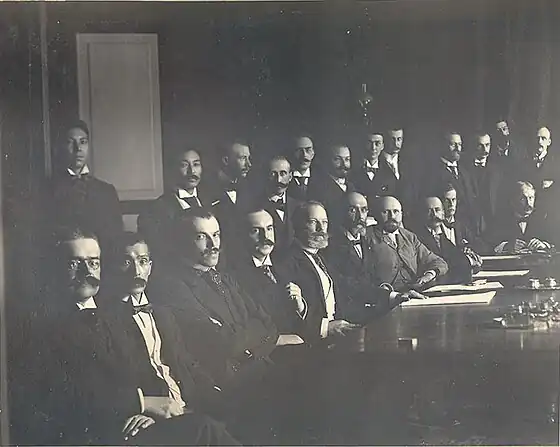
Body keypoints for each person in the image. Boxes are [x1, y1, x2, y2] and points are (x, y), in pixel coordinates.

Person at [11, 229, 238, 446]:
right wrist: (142, 404)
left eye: (93, 263)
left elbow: (143, 373)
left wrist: (149, 413)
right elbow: (63, 397)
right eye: (73, 264)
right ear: (54, 269)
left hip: (135, 421)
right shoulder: (38, 326)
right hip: (97, 435)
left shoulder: (114, 317)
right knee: (203, 429)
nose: (86, 272)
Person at [325, 192, 425, 307]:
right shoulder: (332, 246)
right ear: (341, 213)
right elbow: (347, 285)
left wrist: (388, 290)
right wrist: (393, 296)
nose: (360, 216)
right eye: (352, 210)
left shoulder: (364, 240)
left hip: (375, 304)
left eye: (364, 210)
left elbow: (371, 276)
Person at [44, 120, 123, 256]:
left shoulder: (107, 191)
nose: (78, 148)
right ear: (60, 147)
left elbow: (116, 238)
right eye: (70, 142)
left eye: (83, 142)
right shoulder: (46, 190)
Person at [229, 208, 308, 334]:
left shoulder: (286, 265)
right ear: (242, 235)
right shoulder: (235, 276)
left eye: (269, 228)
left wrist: (300, 307)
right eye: (256, 231)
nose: (265, 236)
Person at [138, 148, 212, 259]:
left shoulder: (212, 202)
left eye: (196, 164)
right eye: (184, 165)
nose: (192, 171)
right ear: (172, 170)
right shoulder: (155, 210)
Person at [367, 196, 448, 291]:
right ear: (376, 215)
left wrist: (429, 275)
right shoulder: (367, 237)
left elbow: (438, 262)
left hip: (414, 292)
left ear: (401, 214)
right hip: (386, 296)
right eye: (385, 212)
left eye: (396, 212)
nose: (392, 216)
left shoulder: (409, 237)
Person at [411, 197, 481, 284]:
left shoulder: (441, 236)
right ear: (422, 215)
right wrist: (470, 262)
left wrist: (470, 259)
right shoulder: (417, 237)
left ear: (443, 213)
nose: (434, 214)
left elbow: (457, 258)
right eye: (429, 211)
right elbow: (442, 263)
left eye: (437, 210)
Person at [246, 156, 303, 254]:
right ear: (265, 176)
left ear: (290, 177)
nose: (278, 180)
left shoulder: (300, 206)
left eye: (283, 173)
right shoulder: (253, 206)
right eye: (273, 174)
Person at [423, 131, 479, 230]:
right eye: (453, 144)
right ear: (443, 146)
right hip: (447, 226)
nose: (457, 148)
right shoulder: (432, 172)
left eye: (459, 144)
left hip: (468, 226)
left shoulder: (465, 171)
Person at [485, 181, 553, 253]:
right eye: (523, 199)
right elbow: (488, 246)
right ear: (512, 201)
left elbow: (555, 242)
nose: (528, 203)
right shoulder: (499, 222)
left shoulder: (543, 220)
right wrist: (507, 246)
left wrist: (544, 245)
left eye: (531, 198)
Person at [464, 132, 505, 229]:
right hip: (468, 219)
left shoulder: (497, 170)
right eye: (480, 146)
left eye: (487, 145)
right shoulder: (463, 168)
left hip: (491, 219)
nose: (485, 150)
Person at [307, 144, 355, 215]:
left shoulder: (352, 187)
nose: (344, 164)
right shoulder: (318, 188)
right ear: (327, 161)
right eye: (337, 159)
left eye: (347, 159)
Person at [287, 135, 315, 200]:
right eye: (299, 150)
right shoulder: (283, 176)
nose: (304, 155)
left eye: (308, 150)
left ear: (313, 153)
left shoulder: (323, 178)